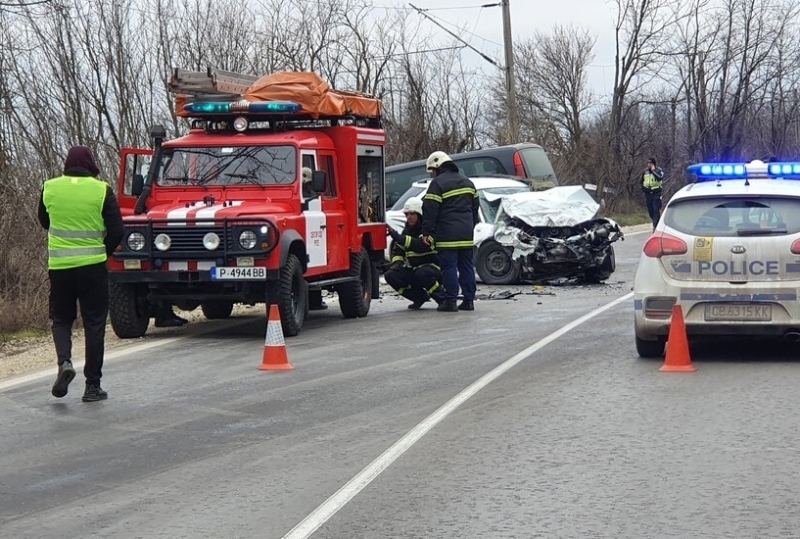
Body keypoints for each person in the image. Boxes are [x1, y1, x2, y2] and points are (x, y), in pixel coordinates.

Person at [38, 145, 124, 402]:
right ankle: (92, 386)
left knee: (61, 320)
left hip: (60, 269)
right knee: (95, 323)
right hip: (93, 269)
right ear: (91, 164)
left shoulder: (50, 187)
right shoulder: (101, 190)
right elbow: (117, 230)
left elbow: (45, 221)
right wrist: (102, 252)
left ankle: (64, 362)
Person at [421, 151, 479, 312]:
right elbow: (475, 208)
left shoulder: (437, 184)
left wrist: (427, 232)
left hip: (447, 234)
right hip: (466, 234)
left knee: (449, 267)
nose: (432, 174)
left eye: (432, 170)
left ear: (438, 167)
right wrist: (470, 225)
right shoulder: (468, 182)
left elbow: (430, 210)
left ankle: (451, 301)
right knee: (467, 266)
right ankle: (469, 300)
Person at [385, 197, 446, 309]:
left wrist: (397, 236)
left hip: (434, 269)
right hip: (415, 270)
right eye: (407, 214)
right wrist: (397, 262)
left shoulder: (428, 230)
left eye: (412, 214)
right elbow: (399, 249)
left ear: (420, 215)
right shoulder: (407, 230)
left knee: (423, 273)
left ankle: (443, 299)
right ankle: (419, 297)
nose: (409, 217)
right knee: (390, 275)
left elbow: (421, 245)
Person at [641, 157, 665, 231]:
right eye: (648, 163)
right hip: (648, 194)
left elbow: (660, 178)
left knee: (656, 209)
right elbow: (641, 181)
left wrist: (653, 171)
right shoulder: (645, 172)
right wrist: (644, 189)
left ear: (654, 164)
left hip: (656, 193)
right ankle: (656, 221)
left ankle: (655, 225)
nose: (649, 165)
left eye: (650, 164)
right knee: (650, 210)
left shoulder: (659, 171)